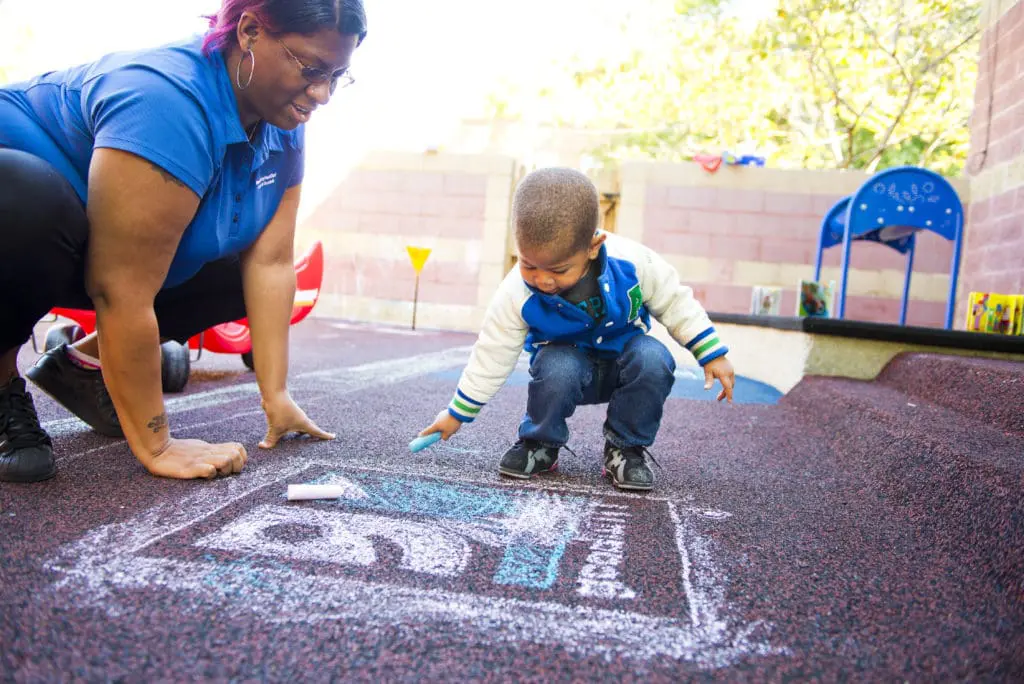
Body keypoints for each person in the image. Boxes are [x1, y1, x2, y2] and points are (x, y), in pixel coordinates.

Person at [0, 0, 367, 483]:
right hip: (19, 219)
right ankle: (3, 382)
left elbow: (272, 262)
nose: (322, 93)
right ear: (250, 30)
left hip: (85, 245)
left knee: (236, 275)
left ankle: (82, 366)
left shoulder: (283, 119)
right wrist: (158, 444)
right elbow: (120, 286)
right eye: (310, 68)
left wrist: (275, 396)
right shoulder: (167, 99)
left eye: (337, 74)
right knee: (34, 204)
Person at [417, 167, 735, 492]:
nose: (542, 279)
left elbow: (675, 301)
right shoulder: (515, 292)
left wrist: (711, 354)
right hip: (563, 371)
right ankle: (540, 443)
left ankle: (624, 449)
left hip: (624, 366)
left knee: (654, 357)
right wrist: (457, 413)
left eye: (558, 269)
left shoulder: (634, 263)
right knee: (558, 364)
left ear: (593, 246)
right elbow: (492, 352)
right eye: (528, 264)